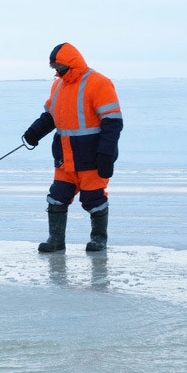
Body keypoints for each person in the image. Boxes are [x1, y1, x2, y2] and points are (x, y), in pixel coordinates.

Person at [23, 42, 123, 253]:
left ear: (71, 63)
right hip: (64, 158)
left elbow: (112, 122)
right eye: (54, 69)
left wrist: (106, 154)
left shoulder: (99, 83)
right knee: (56, 198)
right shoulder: (58, 85)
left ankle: (98, 240)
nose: (56, 72)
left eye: (59, 67)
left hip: (92, 158)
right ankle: (56, 241)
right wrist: (34, 133)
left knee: (93, 200)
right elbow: (51, 116)